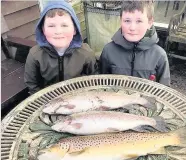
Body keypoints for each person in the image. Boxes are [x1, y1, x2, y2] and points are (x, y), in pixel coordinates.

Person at [24, 1, 97, 95]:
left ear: (75, 29)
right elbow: (32, 84)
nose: (58, 31)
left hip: (79, 99)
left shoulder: (86, 53)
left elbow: (93, 80)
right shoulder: (35, 55)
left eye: (64, 25)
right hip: (49, 101)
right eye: (51, 26)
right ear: (43, 30)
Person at [99, 0, 170, 86]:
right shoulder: (108, 51)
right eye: (127, 21)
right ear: (121, 21)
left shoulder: (159, 55)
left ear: (149, 23)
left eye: (139, 21)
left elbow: (164, 92)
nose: (132, 28)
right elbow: (101, 84)